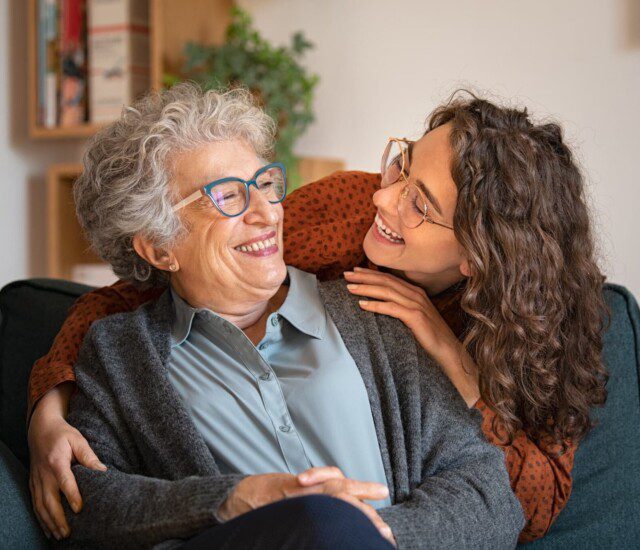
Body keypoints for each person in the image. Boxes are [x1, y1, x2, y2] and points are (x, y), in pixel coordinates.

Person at [29, 90, 605, 544]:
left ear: (479, 254)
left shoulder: (396, 323)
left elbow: (510, 500)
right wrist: (47, 409)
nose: (385, 199)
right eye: (227, 195)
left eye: (419, 204)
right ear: (159, 244)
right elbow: (124, 297)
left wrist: (371, 534)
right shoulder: (347, 216)